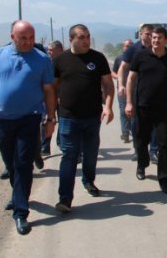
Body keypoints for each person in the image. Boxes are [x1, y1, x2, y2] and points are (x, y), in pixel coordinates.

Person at [0, 20, 56, 236]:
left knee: (22, 163)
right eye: (23, 38)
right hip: (3, 118)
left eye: (31, 38)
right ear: (12, 36)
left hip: (30, 118)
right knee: (10, 161)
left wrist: (51, 119)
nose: (28, 42)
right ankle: (18, 192)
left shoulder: (42, 60)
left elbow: (49, 90)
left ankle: (21, 212)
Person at [54, 24, 114, 213]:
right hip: (68, 118)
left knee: (90, 154)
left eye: (87, 36)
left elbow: (108, 85)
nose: (86, 40)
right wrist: (50, 113)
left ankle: (88, 181)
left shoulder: (97, 58)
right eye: (81, 37)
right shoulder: (60, 60)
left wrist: (109, 106)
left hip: (91, 117)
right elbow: (53, 88)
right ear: (71, 39)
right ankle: (65, 198)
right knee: (69, 156)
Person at [126, 26, 167, 194]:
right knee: (141, 140)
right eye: (154, 38)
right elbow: (130, 79)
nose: (155, 40)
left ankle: (164, 178)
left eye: (159, 38)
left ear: (166, 40)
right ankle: (142, 165)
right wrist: (129, 102)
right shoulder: (140, 56)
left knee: (165, 144)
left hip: (164, 108)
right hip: (143, 107)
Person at [118, 24, 159, 163]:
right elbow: (122, 68)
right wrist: (121, 85)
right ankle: (138, 150)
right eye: (147, 34)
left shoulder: (157, 49)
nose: (150, 36)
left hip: (153, 92)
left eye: (151, 34)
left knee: (154, 123)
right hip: (136, 92)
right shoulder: (133, 50)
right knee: (137, 124)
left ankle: (154, 151)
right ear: (141, 34)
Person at [40, 40, 64, 156]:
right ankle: (45, 147)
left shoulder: (65, 62)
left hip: (61, 97)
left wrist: (60, 95)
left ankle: (61, 143)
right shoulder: (47, 62)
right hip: (48, 97)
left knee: (62, 120)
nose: (49, 52)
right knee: (47, 120)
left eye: (51, 50)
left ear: (58, 50)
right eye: (48, 49)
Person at [112, 39, 134, 143]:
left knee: (133, 112)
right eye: (126, 46)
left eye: (130, 46)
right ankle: (125, 133)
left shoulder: (136, 58)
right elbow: (113, 72)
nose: (128, 48)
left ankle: (133, 131)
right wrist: (119, 79)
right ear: (123, 47)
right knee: (123, 111)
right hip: (122, 90)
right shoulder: (119, 59)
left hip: (134, 89)